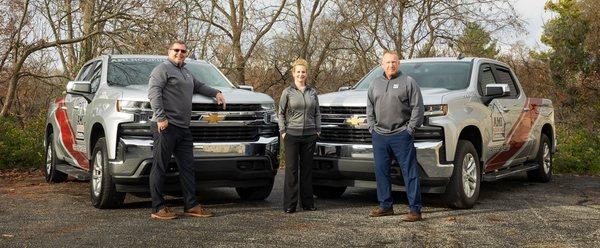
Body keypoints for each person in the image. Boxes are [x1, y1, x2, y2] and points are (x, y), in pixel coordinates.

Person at [147, 40, 226, 220]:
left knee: (188, 167)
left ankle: (191, 205)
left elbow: (199, 86)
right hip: (165, 126)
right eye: (176, 50)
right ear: (169, 51)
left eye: (183, 51)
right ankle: (157, 208)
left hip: (183, 128)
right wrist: (160, 117)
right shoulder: (162, 69)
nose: (180, 53)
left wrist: (216, 92)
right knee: (160, 167)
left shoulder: (186, 72)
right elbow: (154, 92)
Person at [366, 50, 424, 222]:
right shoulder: (374, 83)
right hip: (380, 136)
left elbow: (418, 107)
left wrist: (410, 130)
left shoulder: (408, 82)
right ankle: (385, 206)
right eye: (387, 62)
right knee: (381, 172)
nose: (391, 65)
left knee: (410, 172)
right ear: (381, 64)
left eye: (394, 62)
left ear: (398, 63)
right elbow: (369, 107)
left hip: (401, 135)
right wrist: (372, 128)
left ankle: (415, 210)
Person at [277, 59, 321, 214]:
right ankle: (290, 204)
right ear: (293, 73)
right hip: (292, 135)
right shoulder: (287, 92)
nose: (301, 74)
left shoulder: (312, 92)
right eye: (298, 72)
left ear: (306, 73)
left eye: (303, 72)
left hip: (310, 135)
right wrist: (283, 131)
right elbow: (281, 113)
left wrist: (318, 130)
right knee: (291, 170)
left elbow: (317, 112)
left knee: (307, 170)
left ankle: (308, 203)